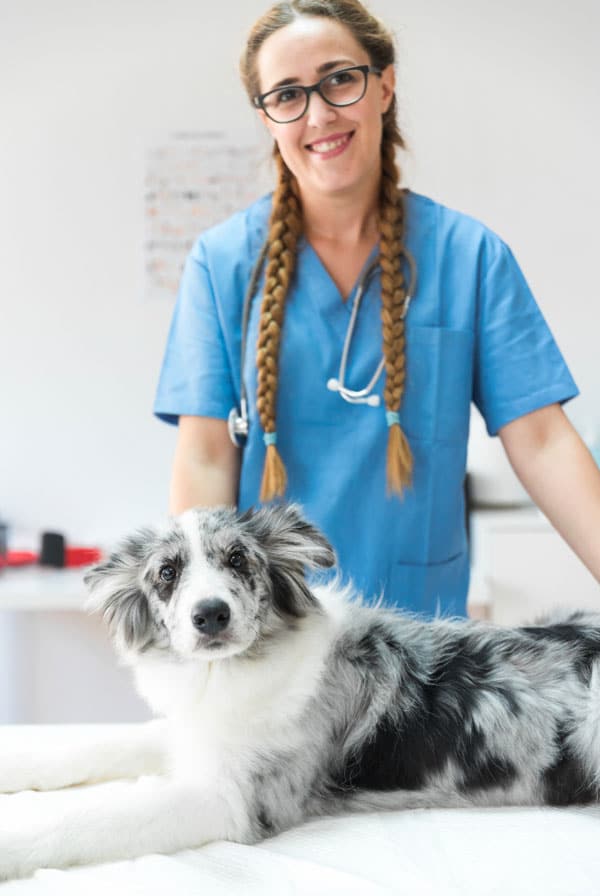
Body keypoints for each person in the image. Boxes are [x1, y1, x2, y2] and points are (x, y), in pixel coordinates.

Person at [154, 0, 600, 616]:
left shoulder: (468, 256)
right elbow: (205, 457)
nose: (318, 113)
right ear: (267, 118)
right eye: (287, 94)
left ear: (384, 86)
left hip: (423, 648)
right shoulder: (224, 263)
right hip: (276, 653)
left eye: (340, 79)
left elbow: (544, 441)